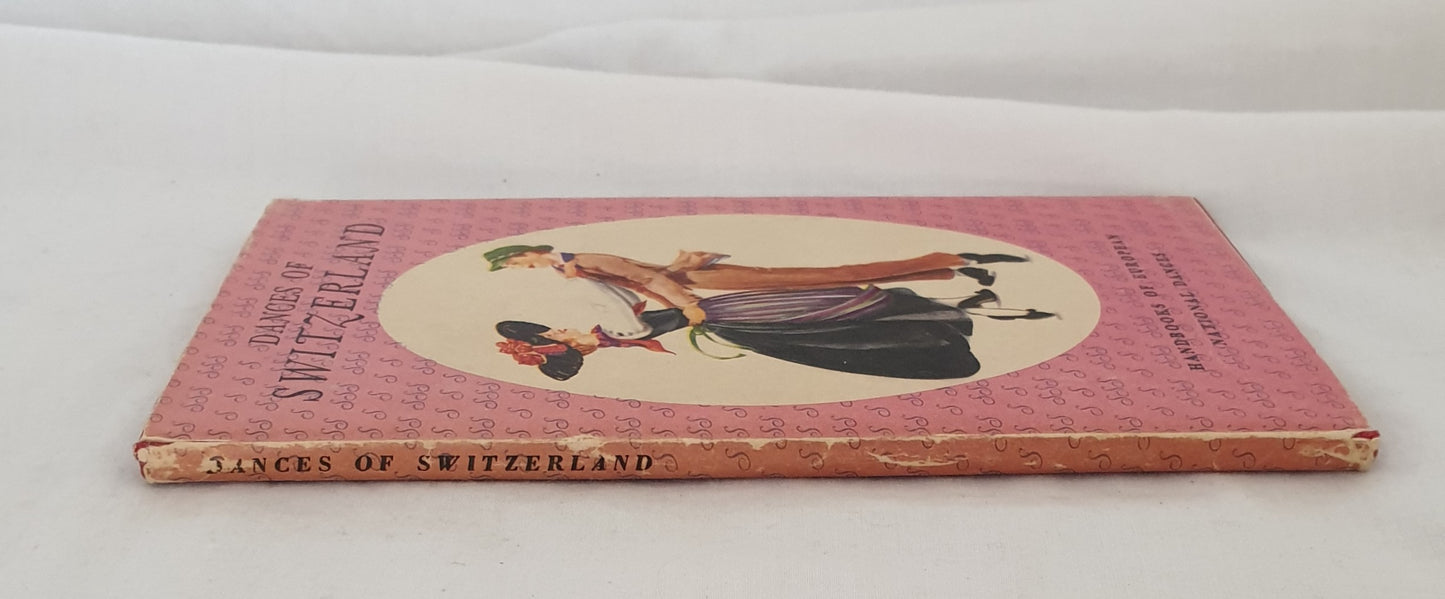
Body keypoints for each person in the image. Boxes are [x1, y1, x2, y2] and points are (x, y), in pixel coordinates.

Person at [494, 286, 1053, 381]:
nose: (559, 324)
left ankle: (958, 313)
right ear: (565, 344)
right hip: (731, 318)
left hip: (729, 315)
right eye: (554, 332)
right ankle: (953, 319)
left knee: (841, 316)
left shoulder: (612, 330)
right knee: (839, 320)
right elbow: (631, 306)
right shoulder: (614, 329)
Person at [483, 244, 1027, 325]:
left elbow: (649, 277)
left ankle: (951, 260)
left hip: (702, 282)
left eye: (517, 265)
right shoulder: (570, 267)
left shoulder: (582, 258)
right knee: (821, 284)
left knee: (825, 279)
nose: (522, 270)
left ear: (526, 252)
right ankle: (947, 270)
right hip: (695, 283)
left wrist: (687, 304)